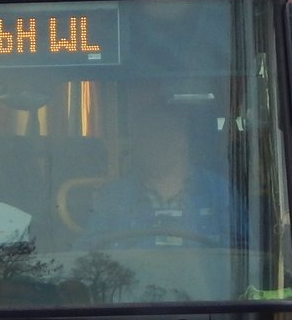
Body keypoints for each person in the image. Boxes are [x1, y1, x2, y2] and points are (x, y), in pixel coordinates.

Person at [81, 92, 233, 249]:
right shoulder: (114, 196)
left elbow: (247, 253)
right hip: (130, 274)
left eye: (165, 133)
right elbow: (86, 254)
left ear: (183, 139)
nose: (155, 143)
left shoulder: (219, 192)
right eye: (146, 135)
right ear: (136, 144)